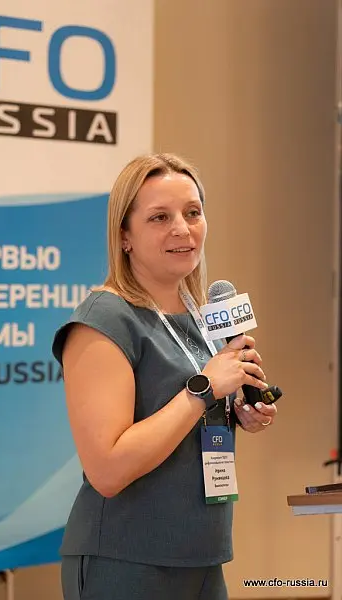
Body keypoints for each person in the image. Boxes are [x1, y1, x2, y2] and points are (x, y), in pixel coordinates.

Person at [52, 153, 277, 600]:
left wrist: (239, 410)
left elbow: (186, 419)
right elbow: (108, 470)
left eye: (193, 212)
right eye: (159, 217)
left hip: (203, 557)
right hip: (126, 561)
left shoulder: (198, 314)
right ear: (125, 236)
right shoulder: (104, 319)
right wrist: (204, 389)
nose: (182, 229)